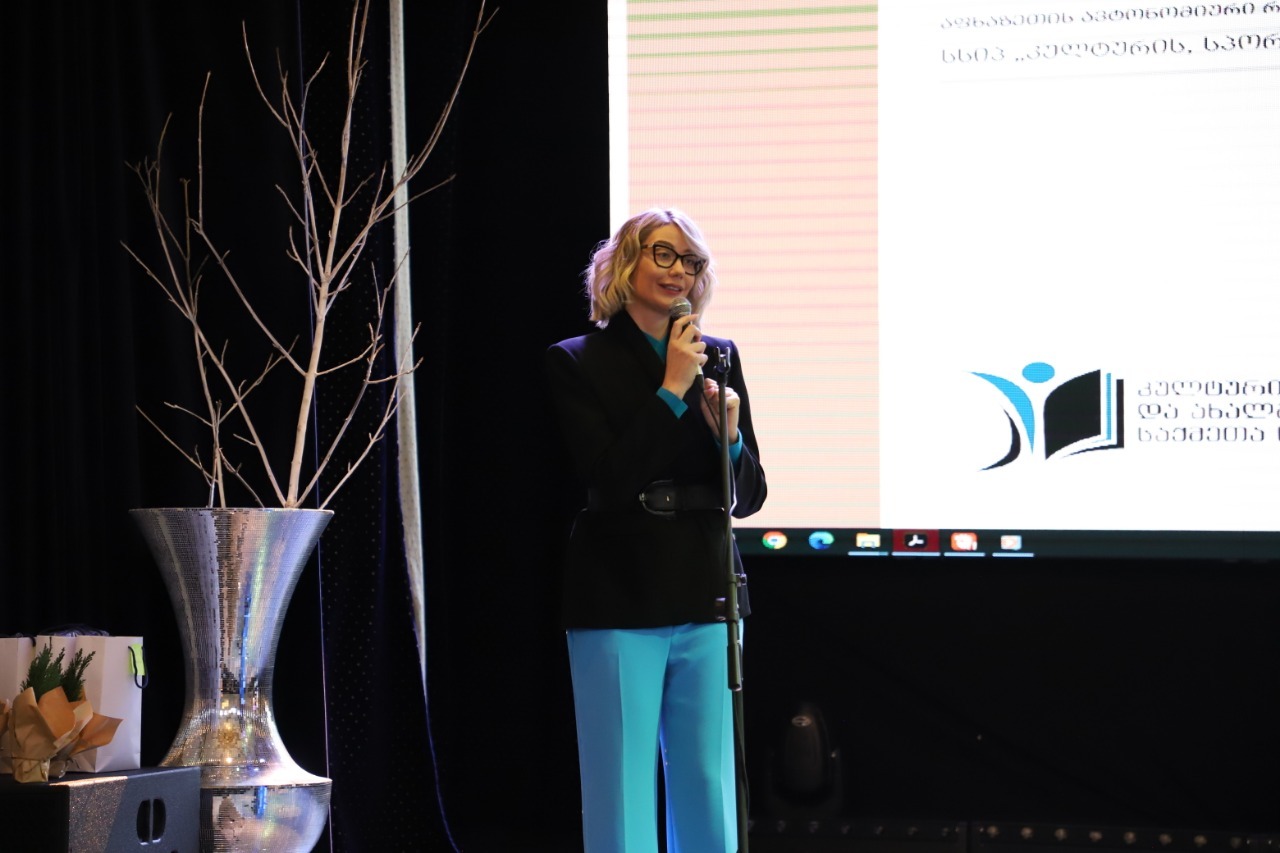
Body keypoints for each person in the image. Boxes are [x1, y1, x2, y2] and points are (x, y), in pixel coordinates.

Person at [545, 208, 767, 852]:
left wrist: (729, 440)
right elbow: (608, 480)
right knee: (621, 790)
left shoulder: (719, 356)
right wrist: (671, 392)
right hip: (618, 591)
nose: (679, 272)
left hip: (708, 587)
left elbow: (750, 497)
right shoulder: (575, 360)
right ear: (625, 263)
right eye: (663, 254)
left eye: (690, 261)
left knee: (708, 784)